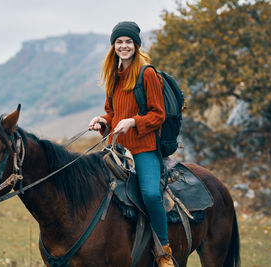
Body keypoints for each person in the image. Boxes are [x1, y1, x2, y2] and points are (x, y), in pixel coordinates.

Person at [89, 21, 174, 267]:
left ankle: (164, 250)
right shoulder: (113, 75)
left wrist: (133, 122)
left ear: (136, 46)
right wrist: (101, 121)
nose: (124, 46)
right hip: (116, 149)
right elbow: (111, 113)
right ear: (113, 46)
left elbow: (158, 115)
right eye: (119, 42)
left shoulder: (147, 73)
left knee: (149, 193)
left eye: (128, 42)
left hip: (143, 148)